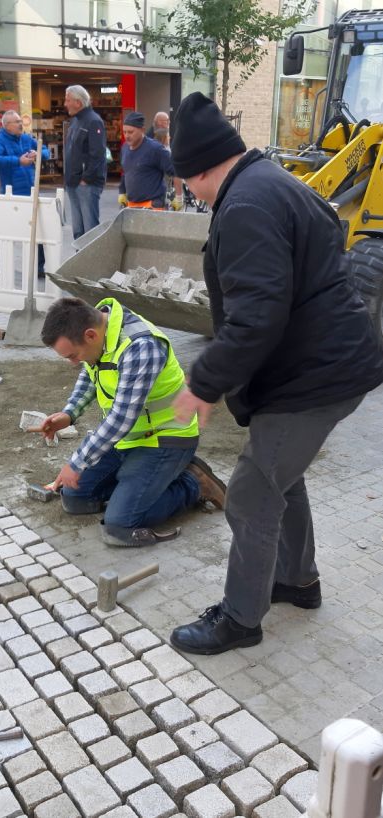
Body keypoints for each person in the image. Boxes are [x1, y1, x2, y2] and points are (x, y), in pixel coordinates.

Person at [168, 92, 383, 655]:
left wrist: (202, 382)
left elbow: (255, 315)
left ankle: (240, 619)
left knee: (251, 492)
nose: (188, 190)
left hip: (317, 376)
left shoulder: (245, 206)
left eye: (186, 178)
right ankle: (297, 581)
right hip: (326, 364)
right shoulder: (275, 182)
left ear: (203, 167)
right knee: (280, 472)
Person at [39, 296, 226, 548]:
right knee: (74, 498)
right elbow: (90, 372)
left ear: (90, 335)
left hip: (166, 438)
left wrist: (77, 463)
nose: (74, 362)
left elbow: (121, 418)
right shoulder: (99, 337)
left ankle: (193, 484)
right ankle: (137, 487)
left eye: (72, 355)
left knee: (120, 525)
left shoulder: (141, 346)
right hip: (127, 439)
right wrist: (69, 413)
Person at [0, 110, 50, 274]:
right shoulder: (0, 141)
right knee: (10, 231)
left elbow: (46, 151)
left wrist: (38, 153)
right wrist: (18, 161)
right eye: (17, 122)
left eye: (20, 121)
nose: (21, 124)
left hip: (31, 192)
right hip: (12, 194)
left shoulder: (25, 138)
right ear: (7, 125)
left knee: (37, 231)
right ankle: (5, 266)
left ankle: (38, 267)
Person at [63, 85, 107, 240]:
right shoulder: (76, 121)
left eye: (68, 100)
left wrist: (86, 178)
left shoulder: (93, 121)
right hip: (73, 182)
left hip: (86, 184)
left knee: (90, 231)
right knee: (78, 230)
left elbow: (98, 154)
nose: (65, 103)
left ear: (78, 102)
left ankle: (92, 263)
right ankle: (80, 262)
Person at [118, 112, 182, 211]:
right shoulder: (125, 148)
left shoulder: (155, 149)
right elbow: (126, 171)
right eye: (124, 132)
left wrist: (179, 197)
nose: (127, 136)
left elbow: (176, 172)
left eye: (131, 132)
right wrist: (122, 191)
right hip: (132, 205)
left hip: (153, 205)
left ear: (142, 130)